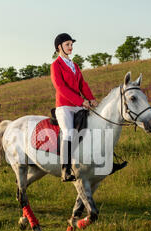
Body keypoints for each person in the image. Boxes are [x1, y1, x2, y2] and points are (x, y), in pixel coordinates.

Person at [50, 33, 98, 182]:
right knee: (69, 133)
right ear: (59, 47)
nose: (71, 47)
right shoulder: (55, 65)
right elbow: (60, 87)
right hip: (64, 106)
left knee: (93, 127)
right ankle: (65, 170)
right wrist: (80, 100)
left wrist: (91, 98)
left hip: (78, 105)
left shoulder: (74, 65)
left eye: (71, 44)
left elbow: (82, 84)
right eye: (67, 45)